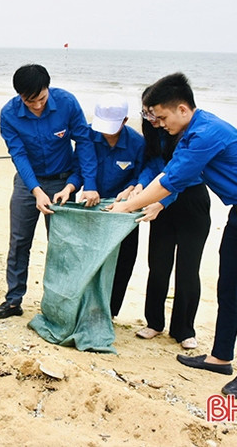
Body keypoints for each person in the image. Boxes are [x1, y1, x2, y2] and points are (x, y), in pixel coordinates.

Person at [110, 72, 237, 398]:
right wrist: (137, 196)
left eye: (162, 117)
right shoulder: (191, 133)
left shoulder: (206, 133)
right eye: (153, 118)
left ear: (182, 108)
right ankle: (220, 357)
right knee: (227, 290)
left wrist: (126, 208)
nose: (159, 124)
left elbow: (172, 180)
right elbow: (165, 173)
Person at [0, 64, 99, 319]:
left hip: (62, 183)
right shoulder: (9, 114)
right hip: (28, 183)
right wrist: (36, 190)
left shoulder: (67, 103)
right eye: (30, 101)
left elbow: (83, 143)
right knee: (18, 242)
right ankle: (13, 300)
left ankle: (60, 305)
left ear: (48, 89)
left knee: (62, 246)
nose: (37, 105)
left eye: (41, 98)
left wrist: (89, 184)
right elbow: (18, 154)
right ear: (20, 96)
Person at [133, 88, 210, 350]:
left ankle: (184, 329)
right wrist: (141, 186)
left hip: (191, 200)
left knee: (188, 269)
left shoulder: (190, 132)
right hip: (159, 199)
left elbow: (184, 175)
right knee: (158, 264)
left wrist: (161, 201)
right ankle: (154, 322)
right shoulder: (154, 130)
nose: (153, 119)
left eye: (155, 114)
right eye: (147, 114)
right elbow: (153, 165)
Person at [59, 94, 143, 317]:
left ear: (125, 120)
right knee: (86, 257)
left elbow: (141, 175)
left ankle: (110, 312)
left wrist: (133, 187)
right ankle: (82, 305)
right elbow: (79, 171)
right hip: (91, 207)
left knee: (123, 261)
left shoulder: (137, 143)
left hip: (123, 212)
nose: (105, 132)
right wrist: (70, 188)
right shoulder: (87, 135)